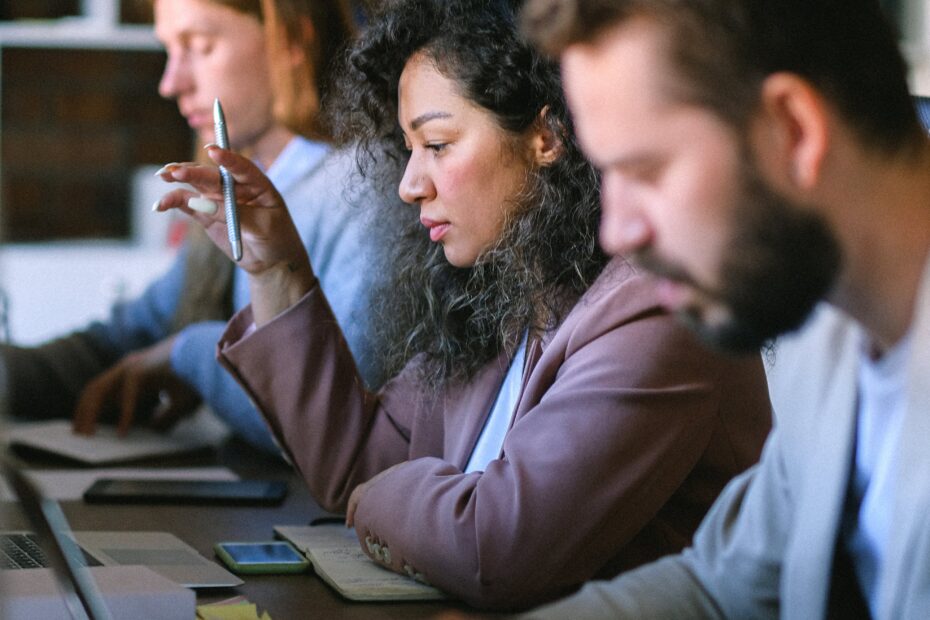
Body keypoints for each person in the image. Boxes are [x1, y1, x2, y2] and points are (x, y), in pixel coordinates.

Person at [153, 0, 772, 610]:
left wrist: (378, 502)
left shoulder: (656, 306)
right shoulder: (504, 292)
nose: (408, 183)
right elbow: (356, 463)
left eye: (439, 144)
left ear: (546, 135)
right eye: (408, 148)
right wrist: (276, 266)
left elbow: (497, 547)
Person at [519, 0, 930, 617]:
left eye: (646, 170)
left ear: (794, 130)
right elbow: (721, 586)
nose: (616, 230)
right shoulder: (831, 330)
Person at [0, 0, 380, 455]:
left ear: (293, 40)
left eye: (199, 47)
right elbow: (124, 340)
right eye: (169, 51)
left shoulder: (367, 195)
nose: (170, 83)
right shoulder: (242, 191)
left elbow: (340, 426)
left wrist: (189, 355)